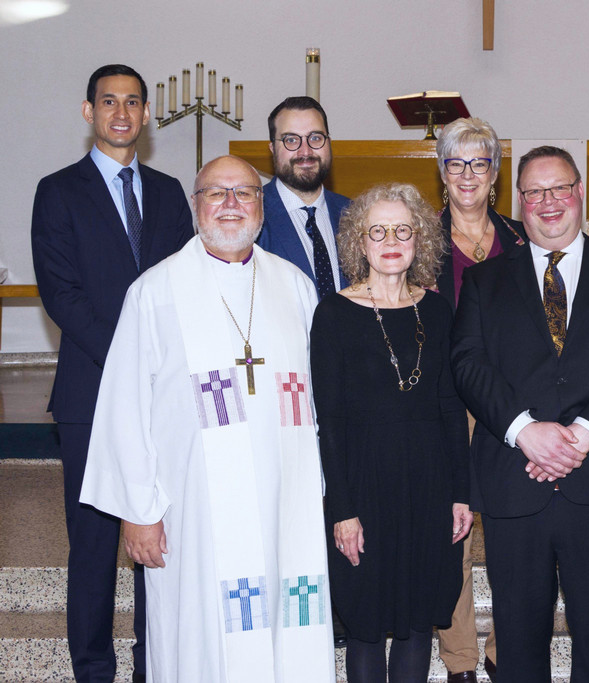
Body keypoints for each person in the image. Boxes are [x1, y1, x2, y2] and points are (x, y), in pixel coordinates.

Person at [79, 155, 336, 682]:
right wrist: (138, 510)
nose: (230, 205)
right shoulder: (155, 291)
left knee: (288, 630)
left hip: (288, 504)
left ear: (262, 204)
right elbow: (124, 408)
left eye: (243, 192)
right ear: (195, 206)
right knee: (200, 636)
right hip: (193, 510)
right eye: (215, 194)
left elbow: (323, 400)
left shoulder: (295, 286)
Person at [452, 146, 589, 682]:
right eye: (534, 192)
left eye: (559, 188)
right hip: (514, 483)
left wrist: (581, 435)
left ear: (580, 192)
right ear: (519, 201)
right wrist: (524, 432)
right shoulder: (483, 282)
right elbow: (468, 364)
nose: (548, 202)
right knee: (519, 647)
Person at [31, 63, 192, 683]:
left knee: (160, 543)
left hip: (163, 397)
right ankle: (94, 669)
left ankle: (157, 664)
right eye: (108, 102)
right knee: (94, 547)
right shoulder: (58, 190)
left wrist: (160, 361)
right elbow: (61, 295)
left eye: (132, 102)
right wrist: (133, 352)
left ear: (147, 114)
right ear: (88, 111)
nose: (121, 113)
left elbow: (186, 283)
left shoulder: (172, 191)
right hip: (91, 390)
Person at [311, 183, 472, 682]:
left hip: (428, 485)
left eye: (402, 229)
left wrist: (461, 495)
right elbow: (329, 420)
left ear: (419, 239)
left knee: (419, 619)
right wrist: (343, 510)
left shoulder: (439, 309)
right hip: (363, 484)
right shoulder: (333, 314)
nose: (390, 240)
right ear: (359, 242)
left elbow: (450, 407)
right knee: (365, 623)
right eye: (377, 231)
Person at [433, 116, 524, 683]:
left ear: (495, 172)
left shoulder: (521, 236)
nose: (468, 174)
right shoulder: (417, 238)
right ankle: (462, 661)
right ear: (441, 172)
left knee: (518, 533)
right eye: (455, 162)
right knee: (454, 538)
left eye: (480, 162)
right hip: (444, 403)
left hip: (514, 405)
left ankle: (504, 651)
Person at [257, 96, 351, 300]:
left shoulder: (355, 213)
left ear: (329, 143)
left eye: (315, 138)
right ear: (272, 149)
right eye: (291, 140)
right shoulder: (252, 215)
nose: (305, 151)